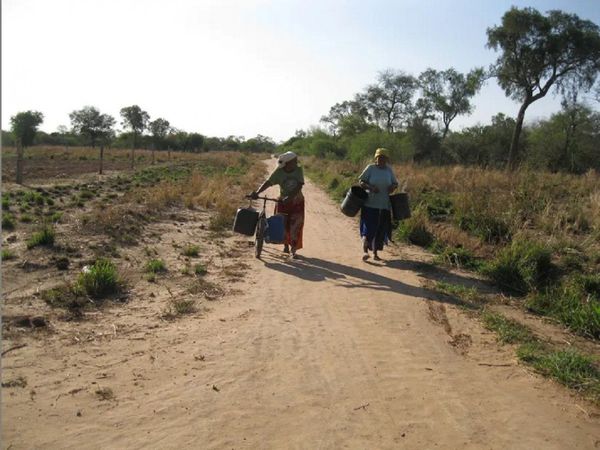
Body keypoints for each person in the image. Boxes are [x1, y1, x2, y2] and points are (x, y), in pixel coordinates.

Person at [251, 151, 305, 258]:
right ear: (288, 163)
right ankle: (285, 245)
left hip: (297, 201)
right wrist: (257, 193)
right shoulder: (279, 172)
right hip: (282, 201)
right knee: (282, 224)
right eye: (294, 161)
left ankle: (293, 250)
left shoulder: (298, 170)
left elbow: (299, 185)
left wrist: (290, 197)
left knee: (296, 225)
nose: (296, 163)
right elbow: (268, 182)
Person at [358, 147, 399, 261]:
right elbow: (361, 181)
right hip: (370, 204)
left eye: (384, 158)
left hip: (384, 205)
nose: (381, 160)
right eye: (379, 157)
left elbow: (395, 183)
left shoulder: (389, 170)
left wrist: (392, 187)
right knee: (369, 228)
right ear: (376, 158)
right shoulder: (370, 168)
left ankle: (375, 253)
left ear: (387, 159)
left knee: (380, 230)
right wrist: (370, 187)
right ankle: (365, 251)